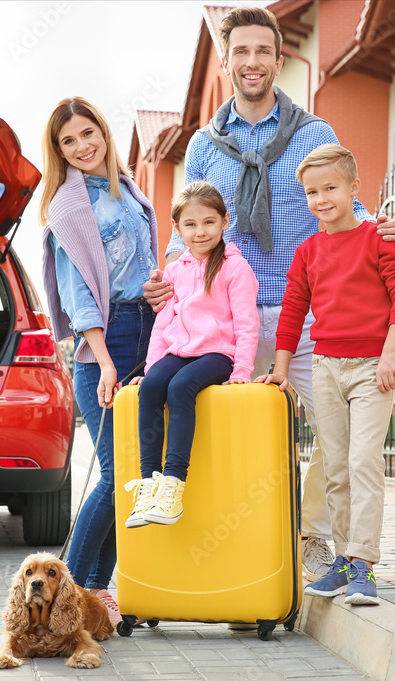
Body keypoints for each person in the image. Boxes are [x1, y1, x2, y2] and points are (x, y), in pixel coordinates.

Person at [142, 6, 395, 583]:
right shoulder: (204, 145)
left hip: (309, 313)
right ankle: (239, 550)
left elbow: (340, 200)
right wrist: (169, 275)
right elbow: (185, 227)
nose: (253, 61)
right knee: (225, 434)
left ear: (279, 59)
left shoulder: (313, 133)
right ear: (228, 59)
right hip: (226, 316)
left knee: (334, 436)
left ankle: (311, 532)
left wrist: (379, 227)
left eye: (263, 51)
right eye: (241, 51)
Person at [257, 144, 395, 605]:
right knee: (336, 469)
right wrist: (281, 370)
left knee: (364, 460)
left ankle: (363, 564)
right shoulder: (307, 251)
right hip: (326, 368)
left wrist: (391, 354)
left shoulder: (378, 238)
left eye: (330, 188)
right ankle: (345, 561)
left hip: (372, 369)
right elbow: (292, 311)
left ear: (354, 189)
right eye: (312, 192)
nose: (322, 199)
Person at [40, 97, 159, 625]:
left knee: (135, 474)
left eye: (89, 133)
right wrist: (106, 361)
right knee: (114, 473)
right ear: (59, 151)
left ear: (104, 134)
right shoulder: (68, 209)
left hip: (149, 332)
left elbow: (141, 265)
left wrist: (156, 288)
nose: (83, 146)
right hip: (103, 345)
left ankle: (96, 591)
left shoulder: (128, 190)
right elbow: (77, 295)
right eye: (69, 141)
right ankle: (64, 594)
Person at [124, 182, 259, 528]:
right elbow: (162, 324)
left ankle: (173, 486)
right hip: (178, 350)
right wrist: (151, 367)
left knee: (180, 387)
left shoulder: (234, 267)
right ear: (178, 229)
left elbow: (246, 323)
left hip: (218, 353)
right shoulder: (174, 271)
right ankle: (149, 485)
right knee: (152, 386)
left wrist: (242, 369)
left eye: (209, 222)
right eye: (191, 224)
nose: (200, 232)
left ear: (225, 222)